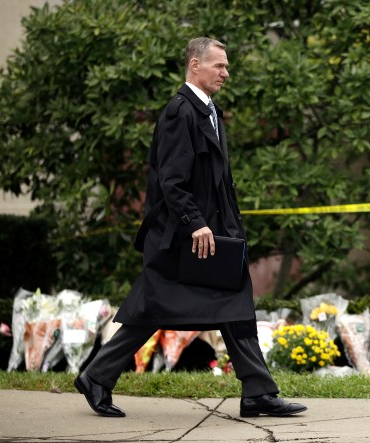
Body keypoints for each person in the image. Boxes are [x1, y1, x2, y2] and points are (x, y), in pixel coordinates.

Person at [74, 37, 306, 418]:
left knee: (234, 305)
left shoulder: (209, 112)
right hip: (183, 238)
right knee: (153, 309)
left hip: (212, 235)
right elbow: (172, 181)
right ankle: (97, 376)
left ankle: (258, 392)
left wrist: (231, 229)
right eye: (219, 66)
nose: (226, 73)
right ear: (195, 66)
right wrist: (195, 224)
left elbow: (216, 182)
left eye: (226, 66)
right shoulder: (179, 113)